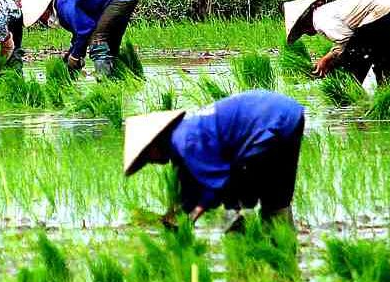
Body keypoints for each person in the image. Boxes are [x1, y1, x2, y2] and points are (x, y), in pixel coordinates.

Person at [123, 90, 306, 228]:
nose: (151, 162)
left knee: (240, 196)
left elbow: (217, 183)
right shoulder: (185, 132)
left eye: (147, 157)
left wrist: (191, 216)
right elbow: (191, 184)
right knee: (276, 199)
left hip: (265, 123)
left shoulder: (186, 141)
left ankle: (246, 241)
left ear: (155, 143)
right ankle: (285, 254)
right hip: (290, 114)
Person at [18, 0, 140, 79]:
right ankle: (117, 77)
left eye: (40, 17)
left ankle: (104, 81)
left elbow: (85, 29)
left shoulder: (64, 3)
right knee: (111, 42)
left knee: (98, 37)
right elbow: (81, 32)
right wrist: (72, 54)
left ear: (44, 8)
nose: (41, 21)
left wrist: (75, 56)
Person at [284, 0, 390, 85]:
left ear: (304, 22)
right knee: (383, 54)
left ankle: (352, 98)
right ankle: (384, 92)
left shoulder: (319, 20)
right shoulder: (325, 11)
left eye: (302, 30)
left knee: (354, 58)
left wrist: (326, 60)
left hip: (380, 7)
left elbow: (347, 39)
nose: (305, 33)